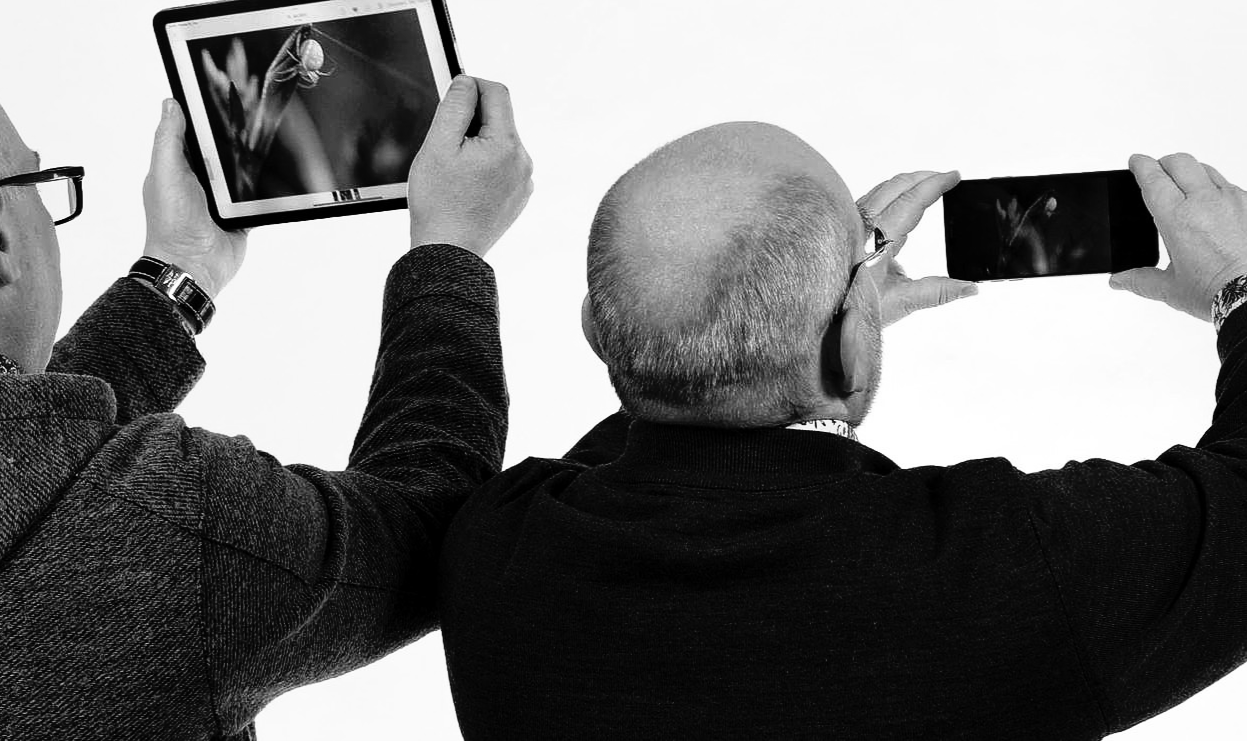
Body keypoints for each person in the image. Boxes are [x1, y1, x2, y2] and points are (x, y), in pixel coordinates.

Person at [0, 47, 533, 739]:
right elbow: (425, 524)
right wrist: (449, 251)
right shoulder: (180, 527)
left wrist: (179, 272)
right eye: (37, 186)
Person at [437, 121, 1247, 740]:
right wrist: (1239, 285)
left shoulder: (491, 556)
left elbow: (662, 415)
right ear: (847, 345)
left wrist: (825, 327)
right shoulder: (1009, 569)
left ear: (594, 330)